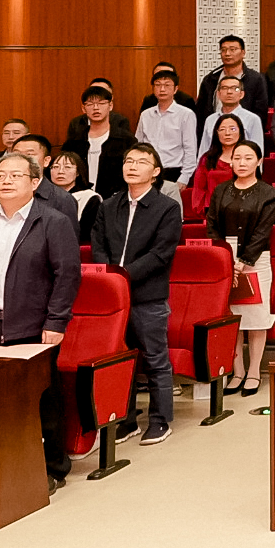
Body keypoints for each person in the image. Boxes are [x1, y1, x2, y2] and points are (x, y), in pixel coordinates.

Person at [0, 151, 83, 486]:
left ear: (35, 182)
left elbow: (67, 275)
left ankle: (52, 468)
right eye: (0, 176)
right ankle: (2, 465)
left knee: (41, 399)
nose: (6, 181)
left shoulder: (52, 221)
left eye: (15, 175)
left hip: (34, 326)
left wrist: (56, 322)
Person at [87, 143, 183, 443]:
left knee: (155, 360)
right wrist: (110, 278)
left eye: (141, 162)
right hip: (112, 299)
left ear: (155, 172)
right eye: (128, 160)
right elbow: (98, 245)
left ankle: (160, 419)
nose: (132, 166)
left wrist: (122, 277)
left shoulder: (167, 208)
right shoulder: (108, 205)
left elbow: (160, 254)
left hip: (147, 296)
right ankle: (126, 420)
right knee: (119, 360)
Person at [204, 134, 275, 395]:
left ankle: (254, 372)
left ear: (259, 161)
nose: (242, 162)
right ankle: (236, 372)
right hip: (226, 262)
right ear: (231, 162)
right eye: (237, 158)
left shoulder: (267, 192)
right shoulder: (221, 190)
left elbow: (263, 231)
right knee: (233, 318)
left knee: (256, 319)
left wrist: (243, 262)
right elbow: (212, 225)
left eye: (248, 158)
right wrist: (225, 260)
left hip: (256, 261)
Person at [135, 66, 200, 186]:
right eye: (158, 85)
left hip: (173, 172)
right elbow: (138, 144)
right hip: (148, 171)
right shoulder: (146, 115)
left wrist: (184, 178)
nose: (162, 89)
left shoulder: (186, 114)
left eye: (167, 85)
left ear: (175, 89)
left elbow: (190, 149)